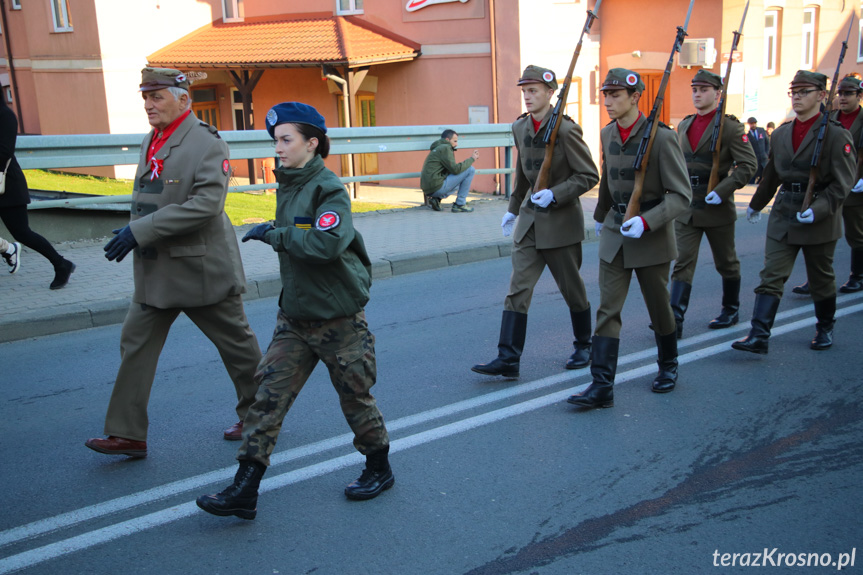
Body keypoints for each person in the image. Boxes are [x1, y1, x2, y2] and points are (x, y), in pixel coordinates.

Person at [197, 102, 393, 520]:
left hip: (338, 319)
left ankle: (379, 467)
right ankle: (244, 489)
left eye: (286, 140)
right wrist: (281, 235)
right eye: (276, 141)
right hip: (296, 318)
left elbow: (325, 245)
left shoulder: (328, 189)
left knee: (355, 398)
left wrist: (275, 235)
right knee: (267, 398)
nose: (278, 148)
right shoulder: (289, 184)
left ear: (312, 143)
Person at [85, 68, 262, 458]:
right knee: (135, 344)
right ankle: (127, 433)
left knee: (237, 346)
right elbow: (152, 196)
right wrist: (134, 231)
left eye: (157, 96)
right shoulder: (155, 137)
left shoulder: (206, 142)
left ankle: (261, 414)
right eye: (145, 97)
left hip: (201, 268)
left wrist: (141, 230)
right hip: (157, 269)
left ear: (183, 99)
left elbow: (206, 205)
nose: (148, 105)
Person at [567, 68, 691, 409]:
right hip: (615, 231)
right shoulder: (608, 133)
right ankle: (601, 385)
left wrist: (647, 222)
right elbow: (609, 179)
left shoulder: (662, 137)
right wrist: (599, 216)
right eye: (605, 95)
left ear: (636, 98)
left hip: (649, 235)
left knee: (659, 307)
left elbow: (681, 195)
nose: (608, 101)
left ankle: (668, 365)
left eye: (615, 95)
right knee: (608, 309)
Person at [471, 65, 599, 378]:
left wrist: (556, 194)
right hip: (529, 222)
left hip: (559, 224)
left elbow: (589, 175)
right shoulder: (521, 128)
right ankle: (508, 357)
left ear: (550, 93)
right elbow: (522, 172)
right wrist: (513, 208)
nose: (527, 97)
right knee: (518, 289)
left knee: (572, 290)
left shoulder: (567, 130)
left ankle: (585, 344)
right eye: (524, 91)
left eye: (534, 91)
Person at [733, 71, 855, 355]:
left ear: (822, 96)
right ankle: (759, 335)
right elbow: (773, 173)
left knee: (821, 276)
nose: (797, 97)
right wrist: (755, 203)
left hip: (818, 214)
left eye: (804, 92)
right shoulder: (784, 132)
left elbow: (843, 183)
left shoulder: (837, 135)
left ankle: (824, 327)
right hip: (785, 211)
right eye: (794, 92)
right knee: (771, 274)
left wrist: (819, 210)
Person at [668, 70, 757, 337]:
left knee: (726, 262)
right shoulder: (684, 125)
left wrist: (723, 189)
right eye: (694, 89)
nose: (697, 93)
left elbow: (748, 164)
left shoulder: (730, 127)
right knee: (682, 261)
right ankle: (675, 319)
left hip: (716, 207)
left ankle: (730, 309)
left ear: (718, 94)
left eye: (704, 89)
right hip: (687, 207)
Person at [793, 73, 863, 295]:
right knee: (818, 234)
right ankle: (816, 279)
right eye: (840, 93)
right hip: (825, 186)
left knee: (856, 233)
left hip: (854, 184)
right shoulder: (829, 117)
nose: (843, 98)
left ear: (859, 96)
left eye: (849, 94)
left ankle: (857, 276)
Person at [0, 97, 75, 289]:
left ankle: (61, 264)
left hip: (7, 187)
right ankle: (8, 250)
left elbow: (4, 153)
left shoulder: (5, 116)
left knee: (22, 233)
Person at [420, 129, 479, 213]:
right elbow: (455, 170)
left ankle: (437, 199)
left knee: (461, 178)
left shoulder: (438, 148)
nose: (456, 144)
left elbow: (451, 170)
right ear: (447, 140)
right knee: (470, 170)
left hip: (429, 189)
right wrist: (472, 159)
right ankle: (460, 204)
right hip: (436, 187)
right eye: (454, 141)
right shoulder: (446, 148)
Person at [746, 117, 769, 184]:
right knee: (754, 175)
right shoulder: (748, 135)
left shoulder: (761, 131)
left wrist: (766, 153)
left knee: (765, 174)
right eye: (751, 124)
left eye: (754, 123)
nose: (753, 125)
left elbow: (767, 142)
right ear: (749, 124)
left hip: (763, 157)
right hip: (755, 158)